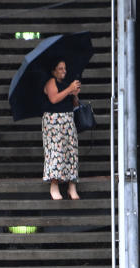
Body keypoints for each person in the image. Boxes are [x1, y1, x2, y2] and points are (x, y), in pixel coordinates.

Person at [42, 60, 81, 200]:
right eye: (60, 68)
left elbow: (75, 104)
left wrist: (75, 93)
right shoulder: (51, 82)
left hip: (68, 119)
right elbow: (54, 99)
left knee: (71, 151)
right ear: (53, 71)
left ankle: (72, 185)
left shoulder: (67, 84)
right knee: (56, 152)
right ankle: (54, 185)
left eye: (65, 68)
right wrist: (69, 89)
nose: (64, 71)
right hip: (53, 121)